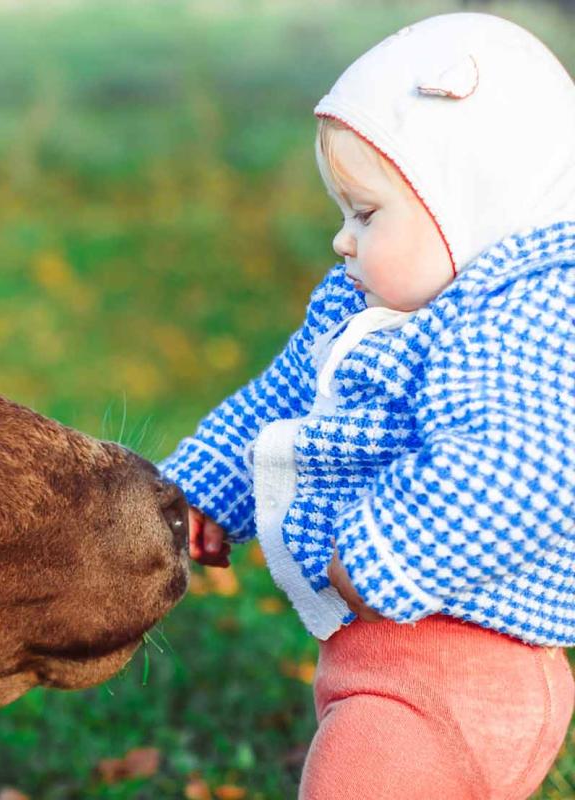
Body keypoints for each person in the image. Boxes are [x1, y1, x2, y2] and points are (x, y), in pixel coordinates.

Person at [158, 12, 575, 798]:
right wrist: (195, 495)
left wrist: (384, 554)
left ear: (470, 203)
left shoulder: (523, 318)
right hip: (401, 663)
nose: (342, 242)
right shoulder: (376, 309)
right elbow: (279, 405)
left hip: (467, 669)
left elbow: (524, 467)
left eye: (367, 214)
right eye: (343, 214)